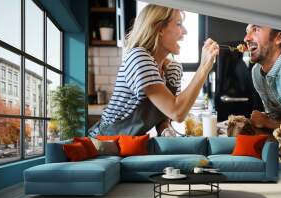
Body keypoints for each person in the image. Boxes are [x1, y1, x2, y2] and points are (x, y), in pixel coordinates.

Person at [89, 4, 219, 137]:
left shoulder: (173, 69)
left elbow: (165, 115)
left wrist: (166, 130)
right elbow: (177, 112)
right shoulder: (139, 58)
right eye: (179, 24)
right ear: (159, 29)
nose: (185, 31)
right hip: (103, 145)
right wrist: (203, 67)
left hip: (131, 146)